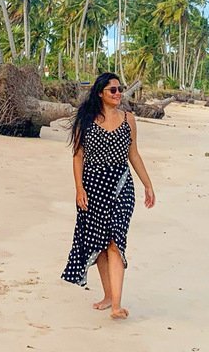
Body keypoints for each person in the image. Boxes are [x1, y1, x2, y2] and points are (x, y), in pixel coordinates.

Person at [61, 72, 155, 320]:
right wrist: (79, 189)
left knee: (115, 241)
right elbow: (78, 157)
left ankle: (117, 305)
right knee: (101, 244)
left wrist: (147, 184)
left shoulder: (129, 119)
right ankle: (108, 296)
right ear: (100, 93)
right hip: (93, 188)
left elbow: (133, 154)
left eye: (119, 89)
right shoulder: (86, 120)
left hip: (121, 187)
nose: (117, 93)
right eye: (112, 90)